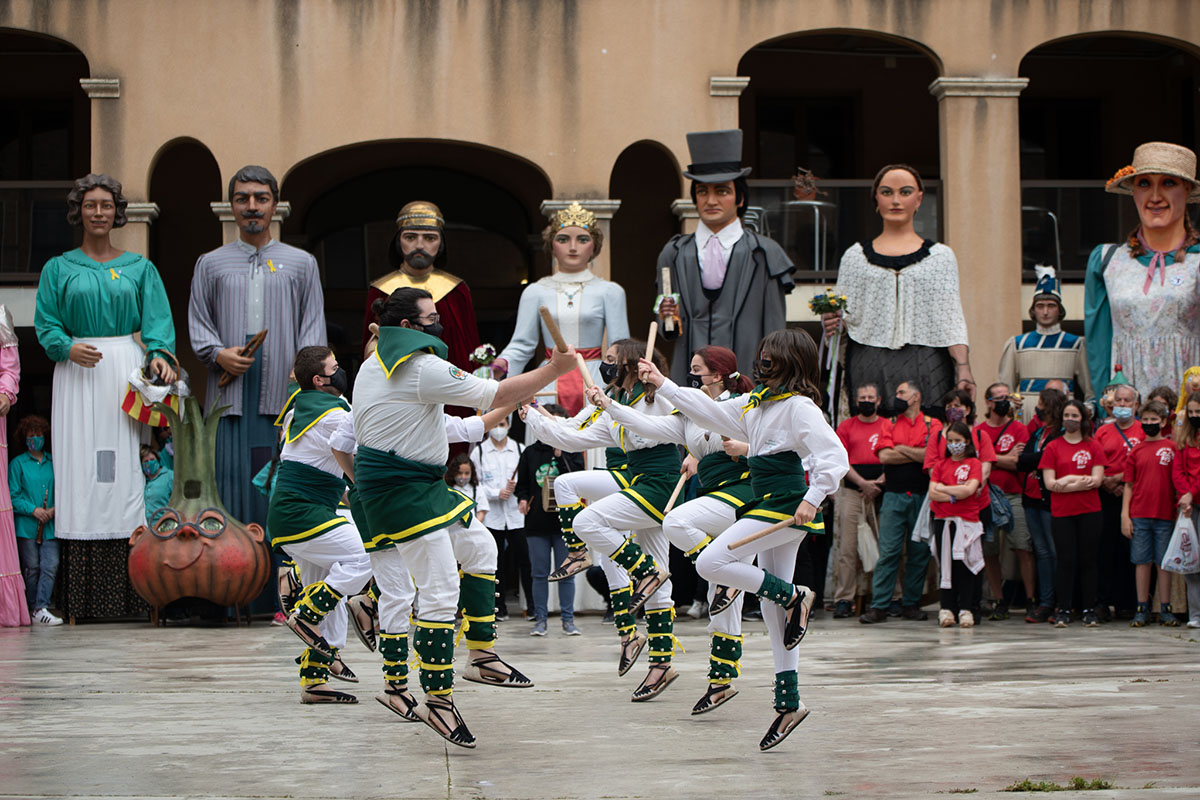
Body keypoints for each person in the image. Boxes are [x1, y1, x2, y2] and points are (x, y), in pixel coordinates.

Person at [351, 287, 574, 748]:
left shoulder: (378, 365)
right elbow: (490, 391)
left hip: (414, 486)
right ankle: (438, 699)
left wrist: (506, 408)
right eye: (432, 318)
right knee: (436, 591)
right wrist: (553, 370)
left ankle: (480, 655)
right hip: (403, 491)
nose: (440, 324)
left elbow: (451, 423)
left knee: (480, 546)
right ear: (408, 328)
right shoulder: (419, 367)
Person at [640, 329, 849, 751]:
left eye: (771, 354)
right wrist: (663, 385)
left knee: (709, 562)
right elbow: (705, 410)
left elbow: (834, 457)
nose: (763, 359)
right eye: (762, 353)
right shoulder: (754, 405)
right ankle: (789, 703)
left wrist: (812, 497)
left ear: (789, 360)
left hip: (786, 506)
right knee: (774, 617)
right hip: (766, 503)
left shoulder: (799, 407)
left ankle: (795, 596)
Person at [35, 173, 176, 621]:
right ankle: (78, 600)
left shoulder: (140, 268)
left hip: (121, 369)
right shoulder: (58, 268)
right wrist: (65, 346)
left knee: (123, 470)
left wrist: (158, 356)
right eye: (91, 204)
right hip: (76, 373)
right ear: (79, 211)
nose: (99, 212)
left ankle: (132, 593)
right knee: (79, 469)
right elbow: (45, 323)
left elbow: (157, 324)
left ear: (118, 213)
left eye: (107, 205)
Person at [597, 344, 756, 715]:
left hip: (746, 497)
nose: (692, 374)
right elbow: (647, 425)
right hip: (716, 499)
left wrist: (744, 447)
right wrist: (610, 407)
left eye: (698, 369)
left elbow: (772, 444)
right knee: (721, 600)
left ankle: (759, 587)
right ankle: (721, 682)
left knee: (677, 524)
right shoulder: (691, 414)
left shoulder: (741, 403)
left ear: (717, 374)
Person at [522, 339, 678, 702]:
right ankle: (661, 664)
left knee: (588, 523)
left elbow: (655, 431)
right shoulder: (614, 406)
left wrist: (610, 405)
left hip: (660, 486)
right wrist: (529, 414)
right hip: (640, 484)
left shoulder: (661, 398)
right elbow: (571, 438)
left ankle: (641, 574)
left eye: (611, 361)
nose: (605, 366)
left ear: (631, 365)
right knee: (657, 584)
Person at [189, 165, 325, 542]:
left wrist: (304, 375)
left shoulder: (302, 264)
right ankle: (233, 592)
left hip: (281, 395)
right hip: (229, 396)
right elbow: (199, 322)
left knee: (278, 485)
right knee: (228, 482)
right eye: (242, 198)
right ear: (230, 206)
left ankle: (280, 589)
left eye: (260, 198)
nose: (252, 206)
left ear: (275, 206)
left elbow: (313, 327)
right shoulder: (209, 264)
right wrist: (218, 354)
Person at [268, 346, 371, 704]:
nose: (341, 371)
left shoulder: (304, 407)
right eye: (336, 367)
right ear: (319, 379)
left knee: (331, 589)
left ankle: (315, 680)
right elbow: (371, 432)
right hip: (302, 514)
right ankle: (305, 615)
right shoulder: (328, 414)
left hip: (304, 512)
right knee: (363, 558)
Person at [824, 164, 973, 408]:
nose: (896, 200)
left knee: (926, 434)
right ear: (876, 198)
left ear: (919, 199)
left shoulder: (941, 257)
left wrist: (964, 368)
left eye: (905, 192)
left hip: (927, 363)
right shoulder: (855, 257)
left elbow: (951, 318)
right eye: (886, 192)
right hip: (868, 362)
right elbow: (843, 319)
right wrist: (832, 321)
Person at [655, 129, 795, 382]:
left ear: (740, 198)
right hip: (689, 378)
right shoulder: (674, 253)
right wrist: (665, 315)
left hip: (746, 378)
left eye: (722, 191)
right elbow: (668, 330)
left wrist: (773, 384)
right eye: (702, 192)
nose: (711, 200)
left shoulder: (765, 254)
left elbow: (776, 331)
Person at [1086, 142, 1200, 395]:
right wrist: (1104, 403)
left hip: (1189, 408)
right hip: (1126, 403)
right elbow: (1098, 343)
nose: (1155, 196)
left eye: (1168, 183)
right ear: (1133, 191)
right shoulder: (1106, 260)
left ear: (1187, 189)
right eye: (1144, 183)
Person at [494, 202, 629, 416]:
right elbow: (522, 344)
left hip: (593, 379)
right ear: (552, 245)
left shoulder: (610, 291)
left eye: (582, 239)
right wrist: (501, 364)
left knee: (594, 442)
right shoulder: (535, 291)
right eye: (563, 239)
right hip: (548, 380)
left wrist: (624, 385)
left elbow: (621, 347)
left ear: (594, 246)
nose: (573, 247)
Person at [362, 201, 479, 371]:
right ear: (398, 241)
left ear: (441, 243)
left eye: (430, 238)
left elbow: (469, 348)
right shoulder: (380, 290)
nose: (419, 245)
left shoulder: (456, 290)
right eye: (410, 237)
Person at [860, 380, 941, 623]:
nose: (897, 396)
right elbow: (885, 455)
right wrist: (915, 451)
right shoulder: (889, 423)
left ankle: (911, 604)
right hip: (893, 497)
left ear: (916, 396)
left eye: (901, 392)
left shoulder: (932, 424)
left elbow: (932, 455)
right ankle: (880, 606)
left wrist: (901, 448)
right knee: (888, 552)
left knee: (919, 552)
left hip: (923, 497)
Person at [515, 403, 585, 636]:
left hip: (565, 523)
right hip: (536, 522)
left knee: (566, 572)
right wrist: (523, 499)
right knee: (539, 573)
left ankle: (568, 620)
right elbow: (523, 484)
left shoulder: (572, 450)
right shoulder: (530, 452)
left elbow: (579, 480)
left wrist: (561, 454)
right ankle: (540, 620)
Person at [1039, 400, 1107, 628]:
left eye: (1075, 415)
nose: (1070, 419)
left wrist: (1065, 481)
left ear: (1083, 419)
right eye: (1067, 415)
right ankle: (1064, 609)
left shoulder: (1093, 446)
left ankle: (1089, 609)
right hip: (1062, 512)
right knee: (1065, 561)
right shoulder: (1053, 447)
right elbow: (1050, 483)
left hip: (1090, 511)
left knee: (1089, 560)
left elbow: (1097, 480)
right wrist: (1078, 480)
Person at [998, 266, 1093, 424]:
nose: (1045, 312)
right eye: (1040, 306)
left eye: (1051, 306)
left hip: (1063, 411)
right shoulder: (1017, 343)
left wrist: (1088, 408)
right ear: (1033, 310)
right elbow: (1006, 386)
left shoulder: (1075, 343)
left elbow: (1089, 389)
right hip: (1027, 412)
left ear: (1060, 310)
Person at [975, 383, 1037, 617]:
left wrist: (990, 458)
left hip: (1014, 494)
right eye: (999, 397)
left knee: (1023, 546)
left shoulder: (1019, 429)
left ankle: (1030, 598)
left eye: (1007, 397)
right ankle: (998, 600)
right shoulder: (979, 431)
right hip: (987, 495)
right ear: (989, 402)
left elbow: (1017, 462)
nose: (1004, 402)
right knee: (990, 550)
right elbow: (978, 461)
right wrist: (1003, 458)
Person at [1120, 400, 1179, 627]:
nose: (1149, 424)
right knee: (1141, 561)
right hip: (1140, 514)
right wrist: (1125, 515)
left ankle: (1165, 608)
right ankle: (1141, 607)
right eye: (1145, 420)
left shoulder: (1172, 448)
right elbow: (1128, 485)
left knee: (1163, 563)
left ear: (1163, 422)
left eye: (1154, 420)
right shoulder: (1136, 450)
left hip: (1165, 514)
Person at [832, 383, 889, 618]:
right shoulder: (846, 426)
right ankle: (844, 598)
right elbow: (840, 460)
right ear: (856, 401)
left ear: (878, 400)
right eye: (862, 397)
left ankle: (886, 597)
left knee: (886, 546)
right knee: (847, 548)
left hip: (883, 490)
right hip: (852, 490)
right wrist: (863, 484)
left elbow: (894, 457)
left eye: (870, 397)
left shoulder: (888, 425)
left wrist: (878, 484)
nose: (866, 400)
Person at [1092, 373, 1142, 620]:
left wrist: (1121, 479)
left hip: (1133, 495)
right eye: (1119, 401)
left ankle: (1127, 603)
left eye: (1127, 401)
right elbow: (1095, 460)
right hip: (1106, 494)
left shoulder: (1143, 430)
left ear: (1136, 405)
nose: (1122, 405)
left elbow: (1144, 463)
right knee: (1105, 549)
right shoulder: (1103, 431)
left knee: (1129, 551)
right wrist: (1108, 483)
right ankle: (1102, 602)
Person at [470, 415, 529, 621]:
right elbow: (475, 484)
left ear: (509, 426)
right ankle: (499, 607)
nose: (498, 429)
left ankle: (531, 606)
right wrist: (496, 493)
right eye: (494, 425)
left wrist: (516, 491)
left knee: (524, 559)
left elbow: (526, 480)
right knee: (496, 563)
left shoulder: (520, 449)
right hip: (491, 516)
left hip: (516, 515)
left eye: (501, 424)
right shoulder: (478, 452)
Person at [1017, 388, 1067, 623]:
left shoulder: (1061, 434)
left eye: (1040, 404)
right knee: (1042, 552)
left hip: (1050, 499)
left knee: (1056, 551)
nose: (1037, 408)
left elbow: (1046, 460)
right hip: (1031, 497)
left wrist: (1034, 460)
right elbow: (1023, 461)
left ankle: (1061, 602)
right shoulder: (1038, 433)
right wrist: (1034, 460)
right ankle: (1045, 602)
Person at [928, 422, 985, 628]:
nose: (954, 445)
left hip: (967, 522)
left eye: (958, 441)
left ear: (967, 441)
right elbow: (933, 493)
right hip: (944, 521)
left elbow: (969, 490)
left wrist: (945, 489)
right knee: (946, 565)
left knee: (965, 566)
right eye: (950, 441)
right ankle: (946, 608)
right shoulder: (941, 465)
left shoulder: (974, 464)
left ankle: (966, 609)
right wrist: (954, 492)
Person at [11, 415, 53, 626]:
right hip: (27, 525)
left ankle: (42, 607)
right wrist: (33, 510)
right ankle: (32, 608)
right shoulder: (17, 464)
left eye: (38, 435)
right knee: (32, 567)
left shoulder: (54, 462)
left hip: (51, 525)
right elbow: (13, 495)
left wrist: (54, 510)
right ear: (24, 438)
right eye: (31, 436)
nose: (35, 439)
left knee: (50, 566)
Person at [1171, 392, 1200, 628]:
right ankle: (1195, 614)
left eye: (1198, 412)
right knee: (1191, 560)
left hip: (1195, 497)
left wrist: (1192, 492)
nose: (1194, 416)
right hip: (1189, 506)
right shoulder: (1185, 437)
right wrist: (1184, 496)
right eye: (1191, 412)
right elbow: (1177, 470)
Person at [446, 453, 490, 524]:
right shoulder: (448, 489)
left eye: (467, 473)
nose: (463, 477)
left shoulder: (476, 488)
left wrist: (475, 526)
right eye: (459, 473)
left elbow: (482, 510)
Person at [140, 444, 174, 526]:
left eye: (152, 459)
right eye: (146, 461)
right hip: (148, 529)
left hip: (165, 527)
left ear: (158, 460)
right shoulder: (142, 481)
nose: (150, 463)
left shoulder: (170, 476)